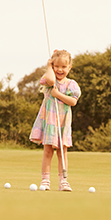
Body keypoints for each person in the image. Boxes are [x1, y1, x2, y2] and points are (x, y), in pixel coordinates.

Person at [29, 49, 81, 191]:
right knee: (47, 152)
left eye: (64, 67)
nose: (60, 69)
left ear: (69, 67)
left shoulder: (71, 84)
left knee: (62, 153)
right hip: (49, 121)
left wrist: (57, 94)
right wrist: (48, 66)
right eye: (56, 66)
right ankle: (45, 180)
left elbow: (73, 101)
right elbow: (51, 80)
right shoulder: (49, 80)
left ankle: (63, 181)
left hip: (63, 122)